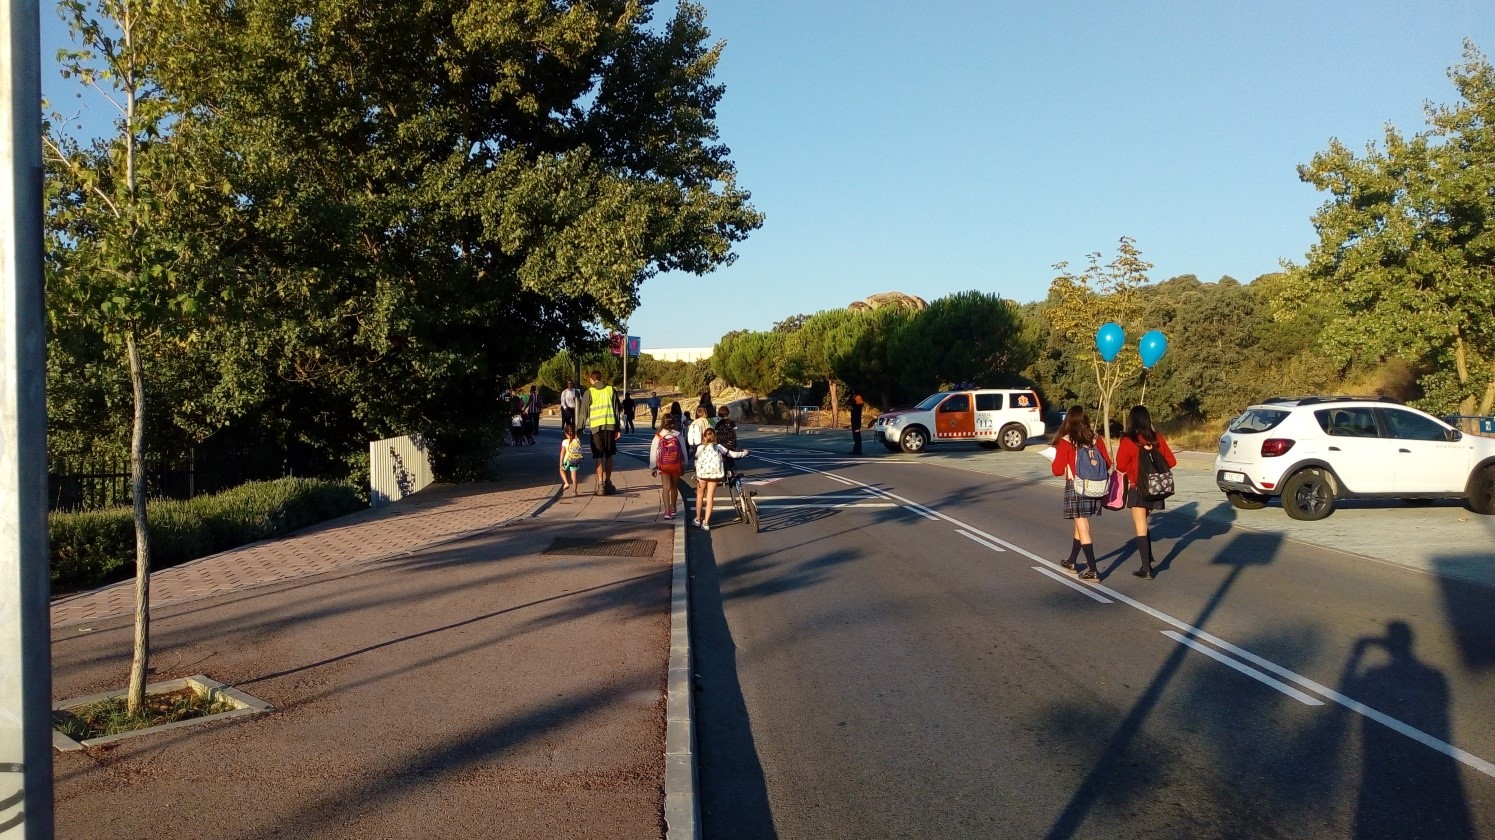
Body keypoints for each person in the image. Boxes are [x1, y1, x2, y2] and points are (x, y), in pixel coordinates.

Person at [1115, 405, 1178, 580]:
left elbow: (1120, 465)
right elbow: (1171, 461)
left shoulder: (1128, 441)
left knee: (1140, 524)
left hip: (1137, 487)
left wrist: (1133, 470)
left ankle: (1146, 567)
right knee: (1144, 522)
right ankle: (1148, 557)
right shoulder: (1157, 438)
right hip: (1156, 488)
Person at [1049, 405, 1111, 580]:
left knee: (1082, 524)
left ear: (1068, 420)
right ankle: (1072, 560)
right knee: (1080, 521)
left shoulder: (1067, 441)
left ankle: (1093, 569)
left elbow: (1057, 470)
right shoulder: (1096, 439)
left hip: (1076, 485)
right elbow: (1107, 463)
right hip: (1094, 486)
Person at [692, 427, 748, 530]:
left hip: (702, 475)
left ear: (704, 437)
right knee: (710, 497)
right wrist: (744, 453)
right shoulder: (719, 447)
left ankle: (698, 519)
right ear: (715, 437)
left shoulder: (701, 448)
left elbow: (696, 456)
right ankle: (706, 522)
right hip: (715, 475)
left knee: (700, 495)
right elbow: (732, 454)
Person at [576, 370, 622, 495]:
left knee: (598, 456)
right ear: (600, 378)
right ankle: (608, 482)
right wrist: (618, 429)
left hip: (596, 428)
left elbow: (583, 413)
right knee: (609, 455)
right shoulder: (610, 390)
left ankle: (600, 485)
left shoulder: (589, 392)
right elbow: (617, 410)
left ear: (591, 379)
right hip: (610, 426)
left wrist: (578, 430)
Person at [650, 415, 688, 520]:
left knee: (666, 487)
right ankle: (674, 507)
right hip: (676, 464)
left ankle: (667, 511)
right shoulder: (678, 435)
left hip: (664, 466)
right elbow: (683, 451)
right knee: (674, 487)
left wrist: (653, 467)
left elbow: (653, 452)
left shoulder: (658, 436)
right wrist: (685, 464)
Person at [558, 423, 583, 495]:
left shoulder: (564, 442)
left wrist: (561, 462)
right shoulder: (577, 440)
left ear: (566, 433)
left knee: (561, 469)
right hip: (575, 459)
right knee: (574, 474)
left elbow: (562, 452)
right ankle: (574, 491)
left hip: (567, 459)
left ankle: (566, 483)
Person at [715, 406, 740, 476]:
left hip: (721, 444)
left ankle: (725, 470)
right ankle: (732, 470)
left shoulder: (718, 424)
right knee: (731, 456)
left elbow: (716, 434)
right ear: (728, 413)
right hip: (730, 443)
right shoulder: (731, 422)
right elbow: (734, 433)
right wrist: (735, 442)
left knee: (723, 456)